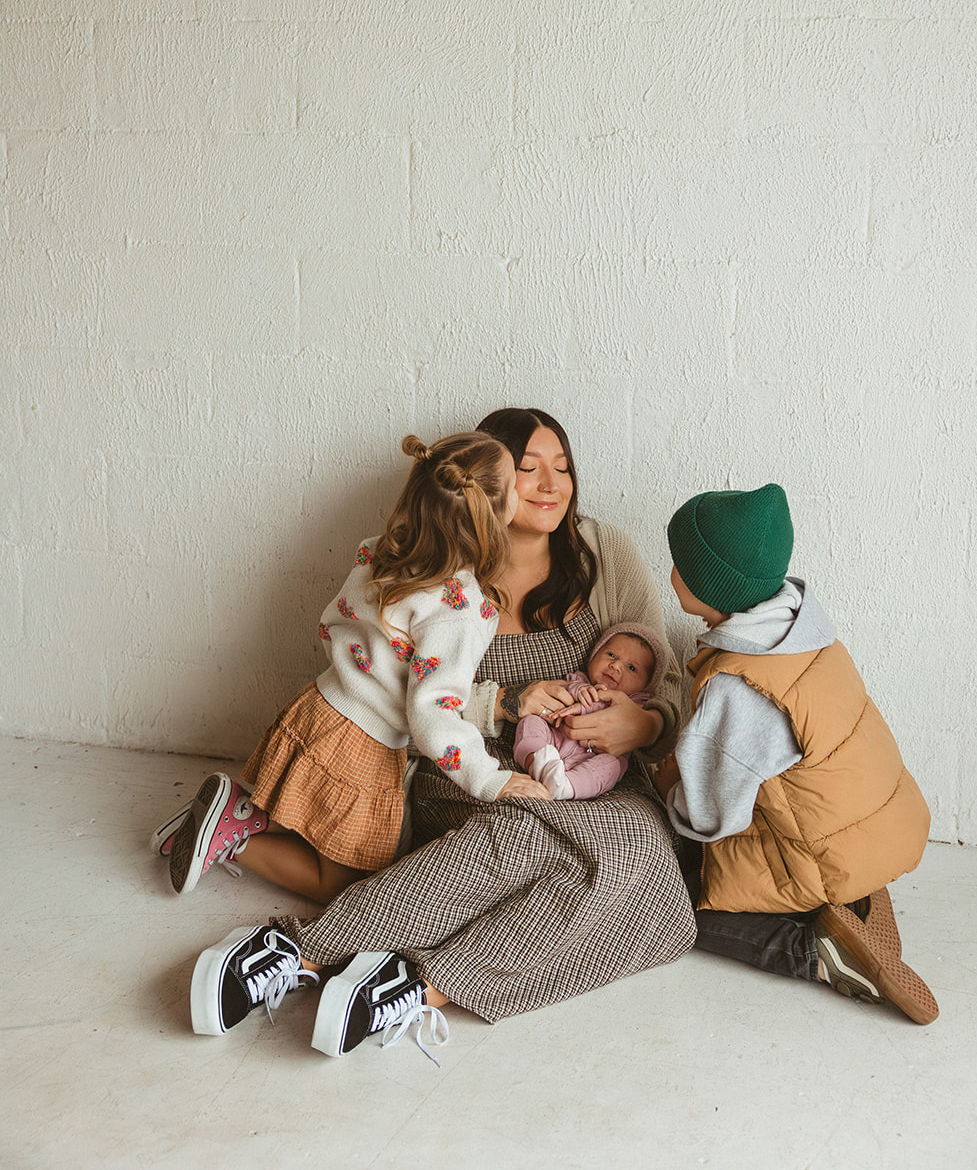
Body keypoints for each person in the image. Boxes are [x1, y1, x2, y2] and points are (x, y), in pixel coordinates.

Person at [186, 407, 696, 1056]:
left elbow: (667, 678)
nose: (550, 485)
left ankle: (413, 983)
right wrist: (510, 704)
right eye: (528, 469)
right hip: (463, 770)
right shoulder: (451, 567)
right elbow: (411, 695)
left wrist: (645, 722)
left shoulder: (604, 553)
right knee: (571, 848)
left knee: (650, 870)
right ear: (483, 487)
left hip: (602, 780)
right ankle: (298, 951)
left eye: (562, 468)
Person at [166, 430, 546, 916]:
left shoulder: (385, 549)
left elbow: (343, 631)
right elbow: (433, 715)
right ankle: (231, 835)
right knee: (343, 888)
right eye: (518, 483)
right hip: (363, 743)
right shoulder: (458, 608)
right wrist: (491, 780)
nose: (526, 490)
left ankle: (202, 825)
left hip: (321, 704)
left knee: (308, 817)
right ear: (493, 517)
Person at [656, 482, 939, 1024]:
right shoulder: (803, 631)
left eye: (679, 565)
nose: (670, 572)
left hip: (815, 859)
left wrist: (669, 779)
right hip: (872, 826)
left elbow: (710, 815)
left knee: (670, 909)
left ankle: (815, 952)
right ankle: (853, 899)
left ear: (709, 585)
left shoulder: (738, 685)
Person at [514, 621, 666, 800]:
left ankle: (566, 786)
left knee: (612, 766)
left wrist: (589, 706)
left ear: (646, 685)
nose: (616, 666)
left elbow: (628, 722)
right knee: (531, 721)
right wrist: (579, 691)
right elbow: (564, 689)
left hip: (591, 758)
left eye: (631, 667)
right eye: (611, 655)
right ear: (594, 655)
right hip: (553, 743)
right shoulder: (579, 681)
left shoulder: (637, 705)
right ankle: (535, 761)